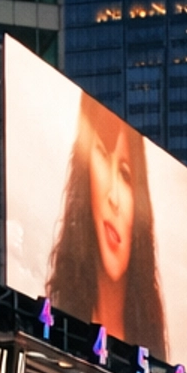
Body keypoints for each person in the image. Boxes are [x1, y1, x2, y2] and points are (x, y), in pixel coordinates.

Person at [46, 92, 168, 352]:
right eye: (102, 154)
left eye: (125, 175)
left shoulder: (153, 346)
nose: (113, 196)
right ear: (86, 173)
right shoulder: (58, 316)